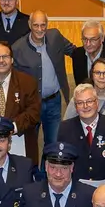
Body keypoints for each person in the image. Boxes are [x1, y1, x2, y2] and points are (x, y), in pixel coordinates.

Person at [9, 10, 73, 147]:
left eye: (43, 25)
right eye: (36, 25)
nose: (39, 29)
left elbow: (74, 51)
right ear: (29, 25)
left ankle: (48, 163)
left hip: (54, 102)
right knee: (31, 144)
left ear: (47, 25)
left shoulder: (55, 37)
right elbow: (13, 80)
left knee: (53, 143)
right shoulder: (17, 48)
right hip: (30, 105)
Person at [58, 83, 105, 190]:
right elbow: (62, 164)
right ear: (75, 107)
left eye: (89, 101)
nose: (85, 106)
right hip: (75, 188)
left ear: (97, 103)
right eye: (80, 103)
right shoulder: (65, 129)